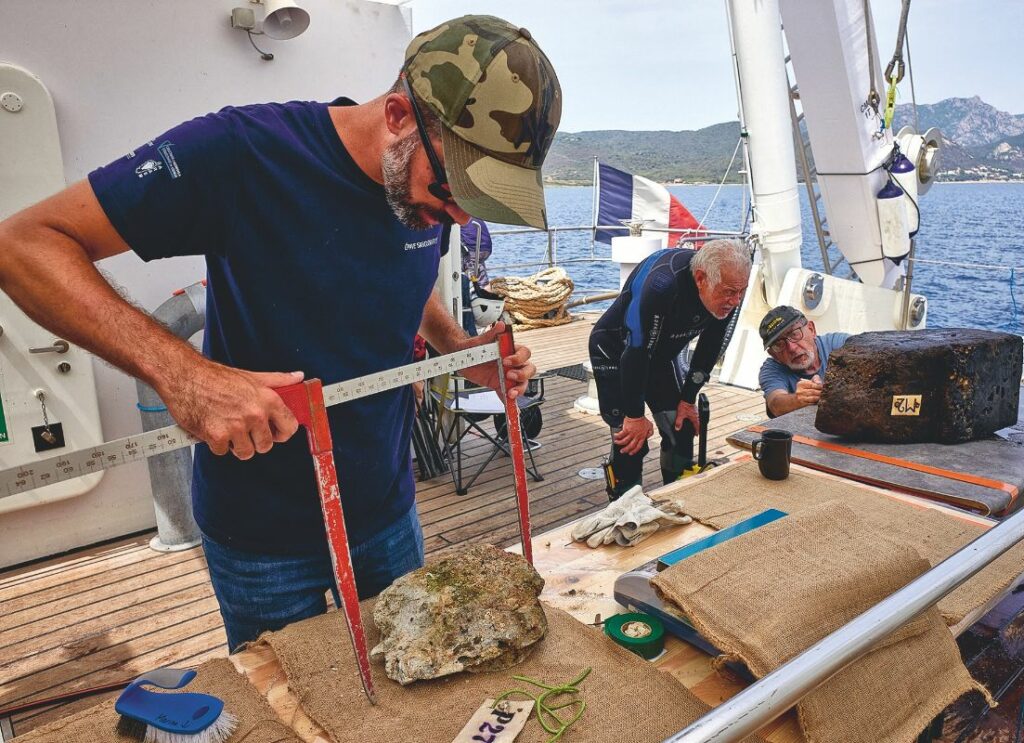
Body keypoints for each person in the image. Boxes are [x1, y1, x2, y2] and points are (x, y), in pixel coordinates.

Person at [0, 15, 562, 650]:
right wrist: (183, 375)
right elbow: (24, 246)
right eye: (453, 192)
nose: (459, 216)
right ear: (400, 116)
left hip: (388, 512)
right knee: (289, 704)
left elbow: (410, 267)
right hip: (261, 535)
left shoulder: (426, 185)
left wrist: (453, 349)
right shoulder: (241, 151)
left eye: (479, 203)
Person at [588, 239, 752, 500]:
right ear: (701, 279)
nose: (735, 300)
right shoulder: (662, 284)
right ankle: (624, 505)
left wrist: (688, 399)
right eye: (730, 292)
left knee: (681, 428)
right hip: (617, 352)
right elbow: (636, 350)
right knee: (631, 442)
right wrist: (634, 416)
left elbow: (709, 347)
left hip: (659, 357)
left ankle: (678, 497)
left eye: (741, 291)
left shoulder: (728, 288)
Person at [758, 306, 851, 418]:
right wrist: (798, 399)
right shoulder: (771, 369)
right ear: (774, 354)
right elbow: (775, 403)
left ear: (812, 330)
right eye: (779, 344)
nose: (791, 348)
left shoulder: (840, 344)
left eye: (794, 334)